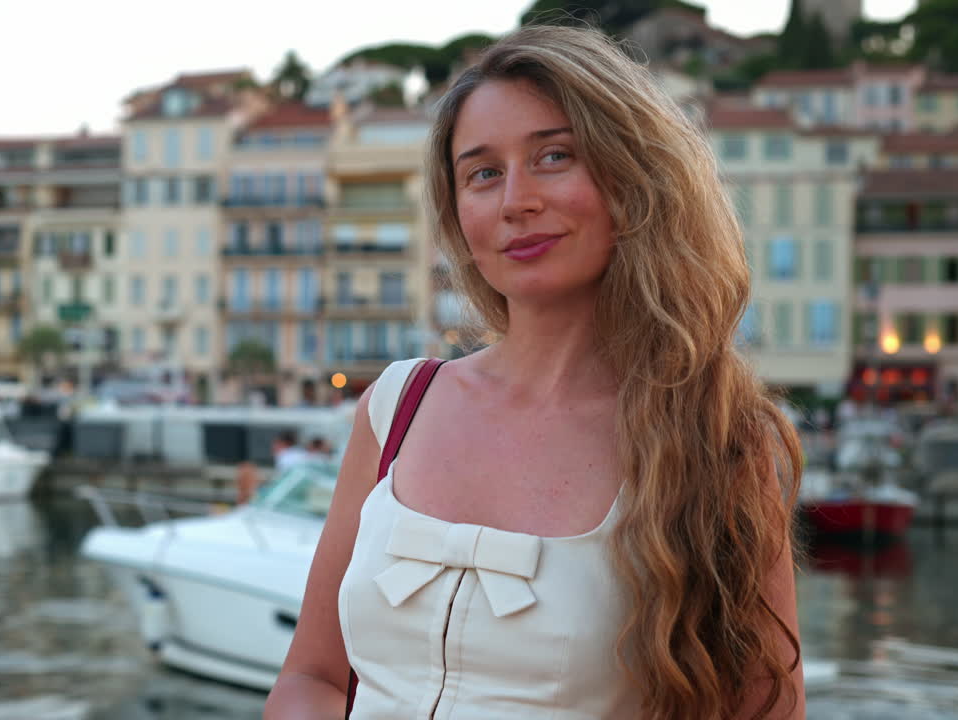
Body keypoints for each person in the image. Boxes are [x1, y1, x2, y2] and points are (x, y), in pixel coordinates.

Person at [266, 24, 803, 720]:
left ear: (632, 180)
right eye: (483, 173)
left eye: (554, 156)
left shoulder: (719, 438)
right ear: (459, 214)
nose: (516, 199)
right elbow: (311, 677)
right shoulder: (398, 406)